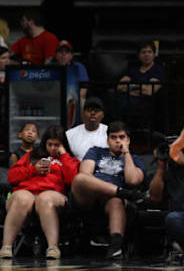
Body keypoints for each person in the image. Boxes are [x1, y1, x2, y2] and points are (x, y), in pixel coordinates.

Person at [0, 126, 79, 259]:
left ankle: (53, 247)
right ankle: (6, 247)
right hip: (26, 194)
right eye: (50, 144)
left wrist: (63, 155)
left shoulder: (69, 159)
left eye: (56, 145)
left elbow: (72, 180)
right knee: (22, 198)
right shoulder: (31, 156)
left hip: (53, 195)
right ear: (44, 143)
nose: (52, 148)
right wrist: (33, 170)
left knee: (44, 199)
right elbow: (12, 177)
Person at [71, 121, 146, 259]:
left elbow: (133, 180)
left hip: (111, 201)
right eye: (113, 137)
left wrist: (127, 153)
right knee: (79, 179)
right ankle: (123, 193)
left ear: (128, 140)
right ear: (108, 140)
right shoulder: (96, 151)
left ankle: (115, 248)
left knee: (116, 202)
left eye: (122, 137)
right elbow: (85, 174)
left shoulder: (135, 159)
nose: (118, 141)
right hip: (90, 197)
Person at [149, 129, 184, 258]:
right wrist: (161, 167)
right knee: (173, 219)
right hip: (181, 216)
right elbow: (154, 197)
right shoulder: (165, 170)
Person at [66, 97, 108, 161]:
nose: (93, 113)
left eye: (97, 110)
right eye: (89, 110)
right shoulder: (70, 134)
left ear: (103, 114)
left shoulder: (110, 133)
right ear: (83, 113)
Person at [55, 40, 89, 105]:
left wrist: (74, 100)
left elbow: (83, 90)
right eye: (60, 51)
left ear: (71, 55)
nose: (63, 54)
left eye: (67, 52)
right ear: (56, 55)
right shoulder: (51, 67)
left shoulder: (79, 67)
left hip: (74, 99)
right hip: (55, 98)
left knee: (82, 101)